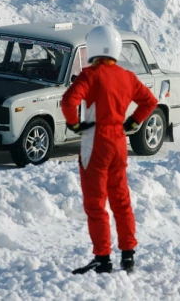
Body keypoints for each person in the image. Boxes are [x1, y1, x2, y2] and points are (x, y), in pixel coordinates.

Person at [61, 25, 157, 274]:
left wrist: (74, 125)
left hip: (96, 141)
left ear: (92, 48)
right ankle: (128, 256)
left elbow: (68, 101)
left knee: (95, 203)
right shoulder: (127, 76)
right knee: (121, 200)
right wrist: (133, 122)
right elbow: (150, 101)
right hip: (118, 142)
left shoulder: (90, 75)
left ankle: (102, 258)